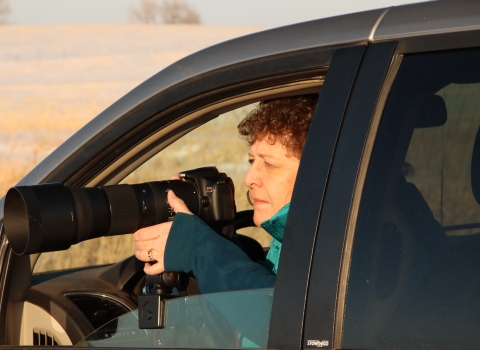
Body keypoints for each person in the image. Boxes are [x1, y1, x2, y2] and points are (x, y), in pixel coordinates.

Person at [133, 94, 318, 293]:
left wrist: (196, 248)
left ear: (316, 174)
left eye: (270, 164)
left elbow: (273, 311)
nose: (248, 178)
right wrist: (216, 236)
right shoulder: (296, 242)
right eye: (251, 161)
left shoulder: (330, 247)